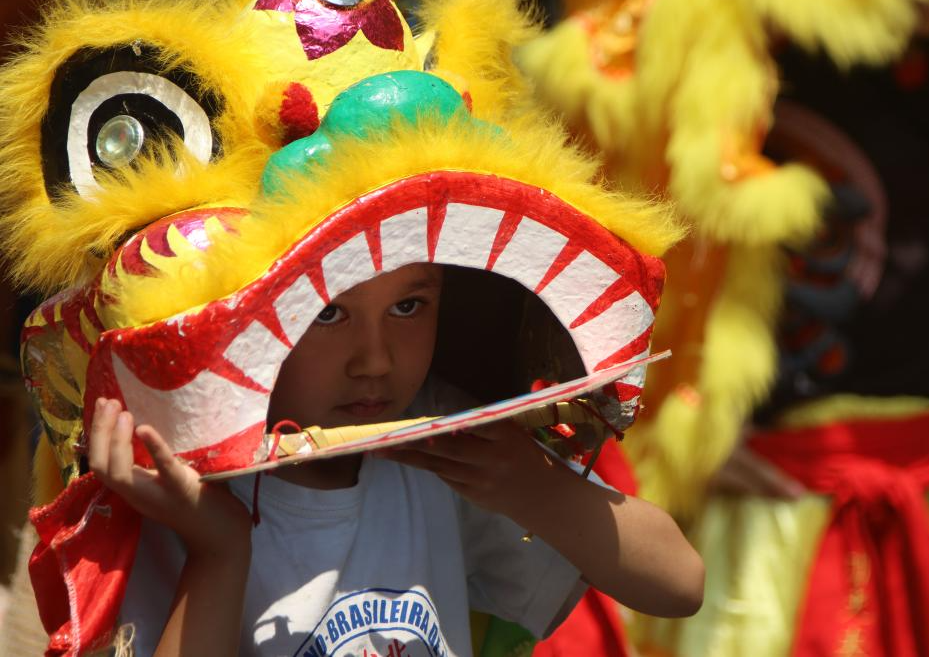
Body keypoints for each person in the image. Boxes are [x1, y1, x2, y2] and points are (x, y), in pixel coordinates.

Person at [88, 262, 705, 657]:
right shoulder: (175, 485)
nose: (375, 360)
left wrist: (530, 486)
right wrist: (219, 553)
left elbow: (680, 583)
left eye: (408, 306)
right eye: (328, 313)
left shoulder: (438, 435)